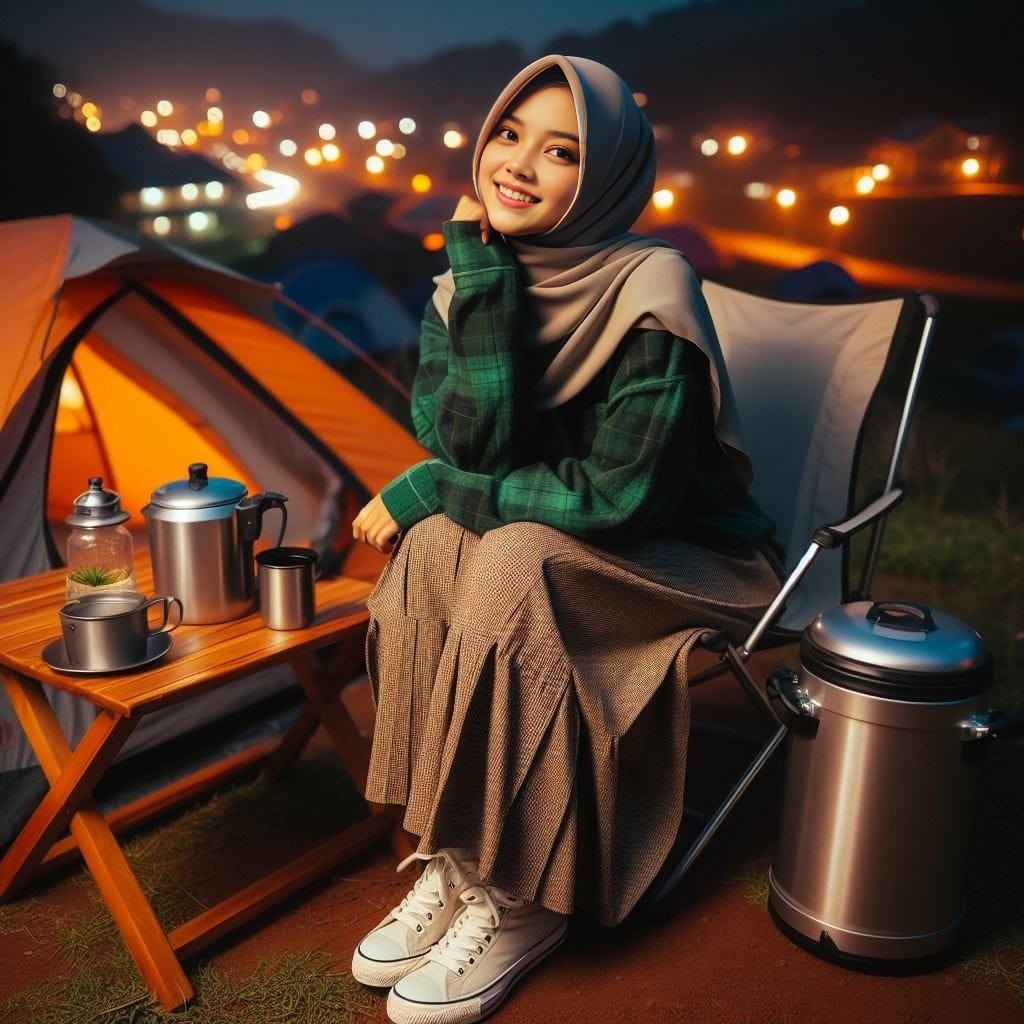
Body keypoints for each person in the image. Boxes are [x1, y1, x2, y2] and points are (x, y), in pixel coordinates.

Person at [349, 54, 779, 1024]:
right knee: (428, 552)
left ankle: (524, 895)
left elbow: (612, 501)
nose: (518, 164)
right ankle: (455, 854)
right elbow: (473, 440)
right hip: (554, 536)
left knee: (506, 552)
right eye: (509, 134)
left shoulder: (651, 288)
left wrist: (432, 485)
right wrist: (485, 285)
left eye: (562, 151)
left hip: (687, 556)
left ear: (609, 177)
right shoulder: (465, 286)